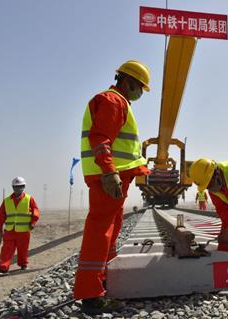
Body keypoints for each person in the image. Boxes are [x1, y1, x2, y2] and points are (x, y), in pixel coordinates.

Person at [73, 60, 151, 314]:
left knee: (110, 229)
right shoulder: (114, 100)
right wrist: (108, 171)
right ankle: (91, 295)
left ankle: (101, 282)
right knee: (100, 232)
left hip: (113, 177)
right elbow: (100, 138)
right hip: (108, 177)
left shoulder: (116, 101)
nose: (140, 93)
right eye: (140, 87)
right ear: (128, 81)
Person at [0, 177, 40, 275]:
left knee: (23, 249)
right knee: (7, 250)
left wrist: (33, 222)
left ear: (24, 187)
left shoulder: (29, 199)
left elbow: (35, 212)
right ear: (12, 187)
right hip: (10, 231)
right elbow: (0, 216)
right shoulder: (7, 201)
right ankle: (3, 268)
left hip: (24, 231)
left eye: (20, 186)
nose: (18, 189)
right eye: (16, 187)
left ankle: (23, 265)